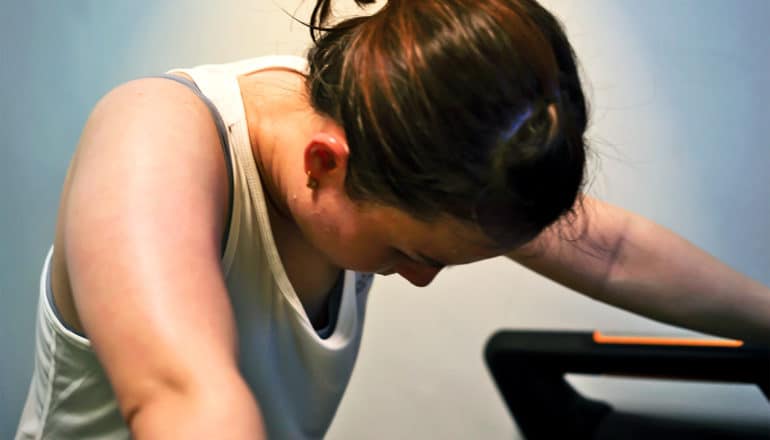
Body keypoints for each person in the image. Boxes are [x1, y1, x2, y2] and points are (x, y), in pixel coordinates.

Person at [15, 0, 770, 438]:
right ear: (324, 164)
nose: (418, 279)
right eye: (411, 250)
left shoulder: (406, 137)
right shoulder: (153, 135)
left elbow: (607, 252)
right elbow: (186, 397)